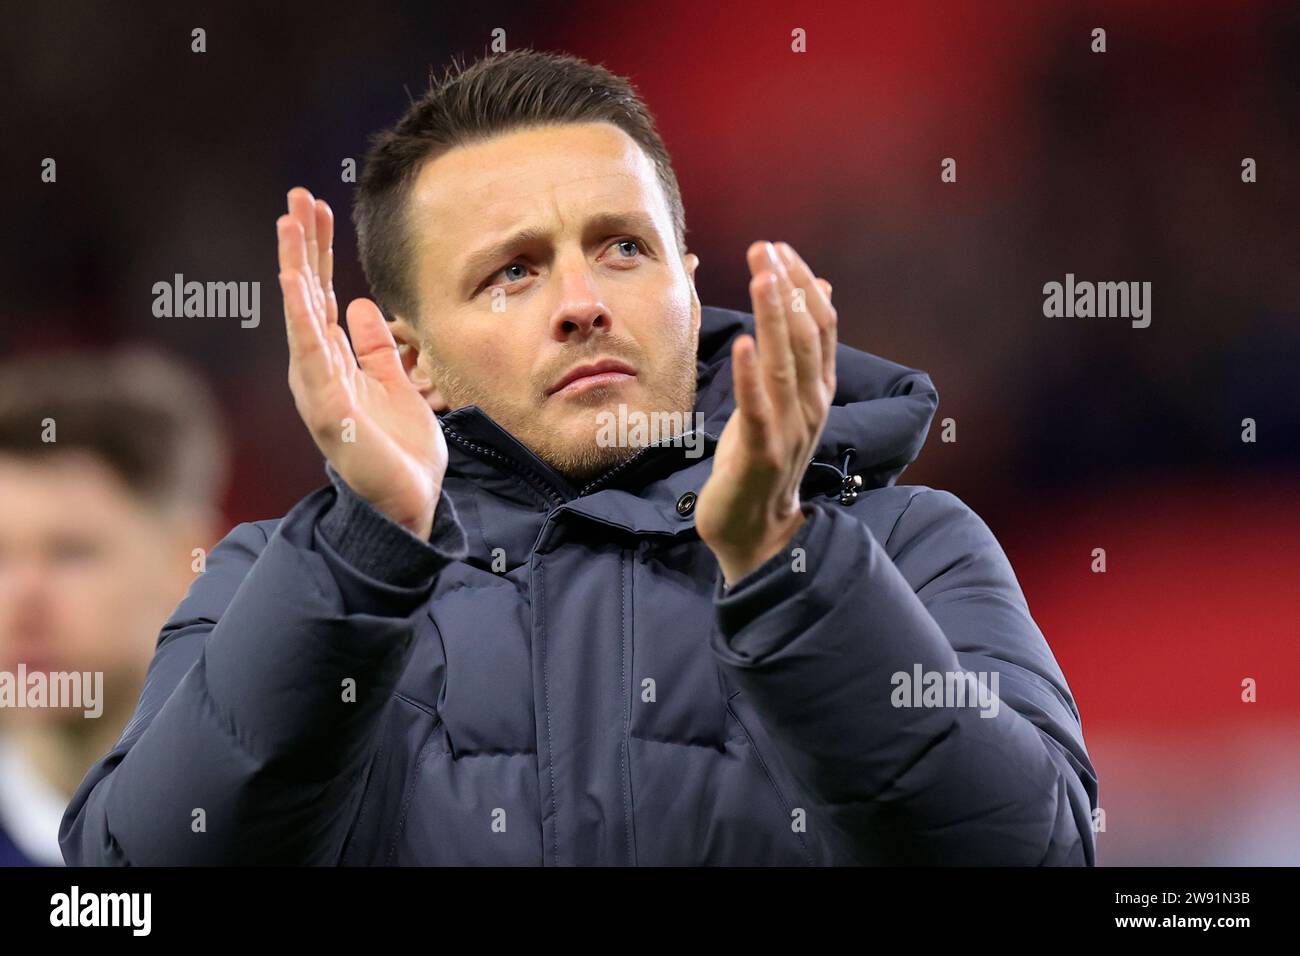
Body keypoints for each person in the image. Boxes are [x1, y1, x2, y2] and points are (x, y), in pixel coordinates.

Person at [61, 48, 1097, 865]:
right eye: (512, 272)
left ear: (689, 286)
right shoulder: (269, 581)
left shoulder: (907, 543)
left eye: (621, 246)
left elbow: (1035, 851)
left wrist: (786, 568)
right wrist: (360, 555)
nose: (583, 301)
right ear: (410, 358)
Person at [0, 350, 226, 865]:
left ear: (188, 560)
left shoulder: (291, 827)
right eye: (0, 556)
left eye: (71, 553)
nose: (23, 598)